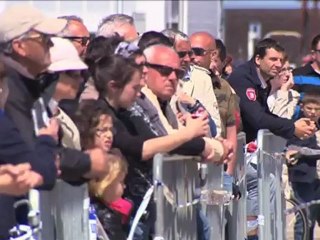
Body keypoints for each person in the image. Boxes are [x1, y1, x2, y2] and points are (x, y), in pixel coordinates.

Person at [228, 38, 316, 143]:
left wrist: (294, 126)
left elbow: (266, 114)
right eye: (273, 59)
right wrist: (292, 127)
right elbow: (257, 118)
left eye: (281, 60)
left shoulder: (263, 80)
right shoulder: (243, 78)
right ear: (258, 59)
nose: (279, 65)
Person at [162, 29, 222, 136]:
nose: (187, 59)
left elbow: (215, 128)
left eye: (190, 54)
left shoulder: (202, 79)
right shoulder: (150, 80)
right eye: (181, 54)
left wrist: (194, 106)